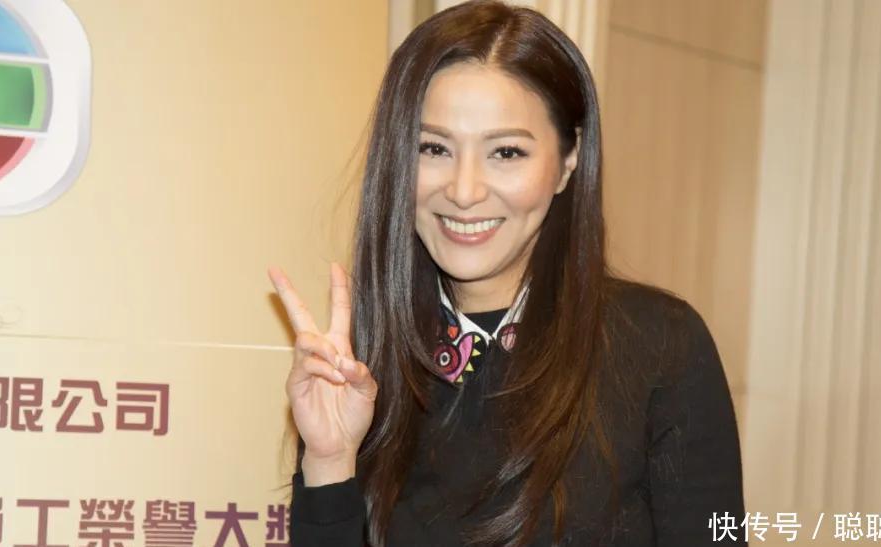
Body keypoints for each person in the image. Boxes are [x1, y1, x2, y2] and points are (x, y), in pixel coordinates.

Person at [267, 1, 746, 545]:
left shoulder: (658, 345)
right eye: (434, 148)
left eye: (507, 152)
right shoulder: (360, 367)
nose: (464, 191)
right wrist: (330, 461)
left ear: (568, 160)